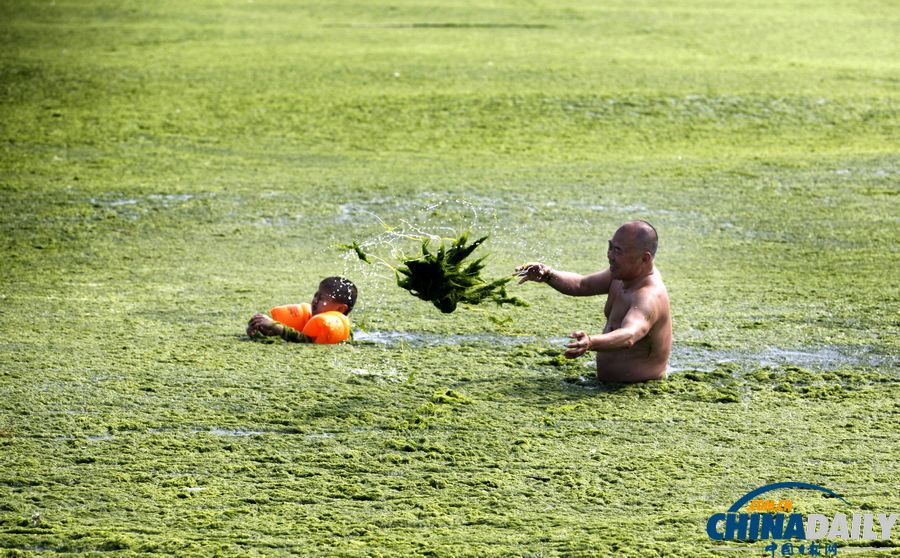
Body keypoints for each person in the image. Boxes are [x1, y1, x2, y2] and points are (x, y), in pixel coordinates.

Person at [515, 221, 672, 382]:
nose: (610, 255)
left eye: (617, 251)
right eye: (610, 247)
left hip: (638, 390)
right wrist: (547, 274)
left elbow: (629, 335)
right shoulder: (621, 275)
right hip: (606, 388)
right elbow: (582, 285)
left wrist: (590, 342)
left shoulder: (649, 296)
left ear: (644, 259)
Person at [246, 276, 357, 344]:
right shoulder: (312, 321)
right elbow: (293, 337)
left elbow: (304, 340)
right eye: (316, 295)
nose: (315, 300)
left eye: (322, 298)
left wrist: (274, 326)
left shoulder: (335, 329)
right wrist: (264, 331)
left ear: (341, 309)